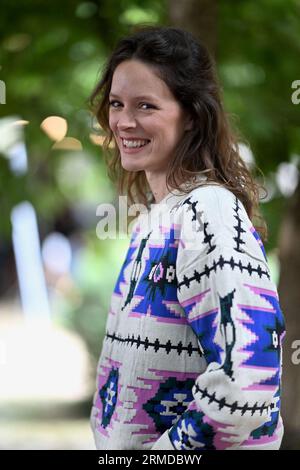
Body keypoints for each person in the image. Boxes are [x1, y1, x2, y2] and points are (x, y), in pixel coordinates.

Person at [88, 25, 286, 450]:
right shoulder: (156, 220)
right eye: (117, 104)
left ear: (192, 114)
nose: (124, 120)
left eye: (146, 105)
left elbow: (250, 376)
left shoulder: (207, 210)